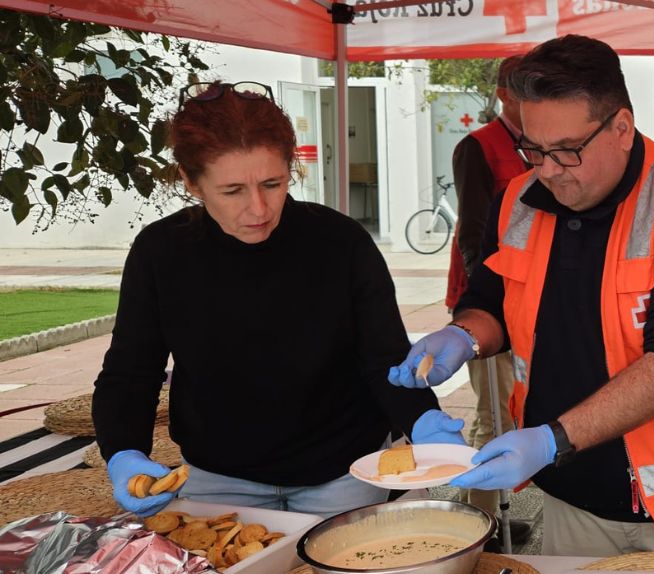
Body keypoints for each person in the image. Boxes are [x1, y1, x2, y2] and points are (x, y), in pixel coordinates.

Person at [388, 35, 654, 556]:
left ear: (621, 127)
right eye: (533, 148)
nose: (547, 170)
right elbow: (494, 297)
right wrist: (462, 336)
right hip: (574, 496)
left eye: (567, 150)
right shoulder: (519, 200)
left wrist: (552, 438)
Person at [93, 80, 459, 518]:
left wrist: (421, 419)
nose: (260, 209)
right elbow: (131, 371)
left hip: (344, 471)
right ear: (191, 182)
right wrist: (122, 451)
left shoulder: (340, 242)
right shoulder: (161, 252)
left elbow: (384, 357)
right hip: (217, 477)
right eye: (232, 191)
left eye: (273, 183)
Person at [444, 54, 534, 546]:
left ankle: (491, 513)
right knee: (491, 412)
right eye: (527, 92)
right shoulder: (477, 148)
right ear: (504, 94)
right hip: (489, 305)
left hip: (525, 300)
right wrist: (490, 308)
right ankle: (476, 523)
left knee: (513, 407)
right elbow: (475, 236)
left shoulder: (533, 145)